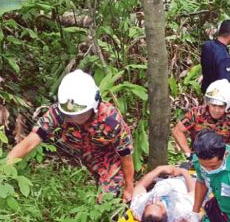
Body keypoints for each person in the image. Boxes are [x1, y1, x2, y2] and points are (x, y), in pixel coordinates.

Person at [7, 70, 135, 201]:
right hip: (88, 158)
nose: (74, 119)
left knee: (106, 201)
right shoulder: (58, 113)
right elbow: (32, 140)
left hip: (110, 159)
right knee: (100, 191)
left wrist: (129, 188)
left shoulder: (111, 120)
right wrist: (2, 168)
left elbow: (126, 154)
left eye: (79, 115)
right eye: (70, 115)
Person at [172, 79, 230, 161]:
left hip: (223, 160)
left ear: (228, 106)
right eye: (213, 105)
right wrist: (188, 155)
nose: (216, 110)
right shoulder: (196, 113)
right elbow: (177, 131)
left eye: (221, 107)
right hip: (198, 159)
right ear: (208, 103)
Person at [130, 165, 196, 222]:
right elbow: (194, 191)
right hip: (185, 181)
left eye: (149, 204)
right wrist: (184, 172)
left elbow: (141, 185)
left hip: (162, 180)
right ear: (164, 212)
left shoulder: (138, 208)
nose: (154, 200)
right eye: (158, 205)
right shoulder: (181, 212)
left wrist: (159, 169)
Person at [200, 20, 230, 93]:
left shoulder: (207, 46)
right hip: (216, 97)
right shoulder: (224, 57)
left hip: (206, 91)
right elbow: (224, 83)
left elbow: (212, 63)